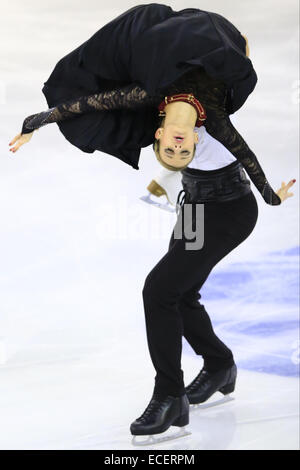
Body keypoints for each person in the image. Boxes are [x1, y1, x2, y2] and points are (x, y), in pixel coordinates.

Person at [8, 4, 296, 439]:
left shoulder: (184, 108)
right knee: (178, 294)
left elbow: (250, 163)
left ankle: (170, 395)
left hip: (230, 212)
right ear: (160, 134)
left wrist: (275, 198)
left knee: (159, 290)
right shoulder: (180, 106)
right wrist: (33, 122)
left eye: (179, 152)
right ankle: (219, 365)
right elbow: (83, 103)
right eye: (177, 152)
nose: (180, 148)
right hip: (197, 205)